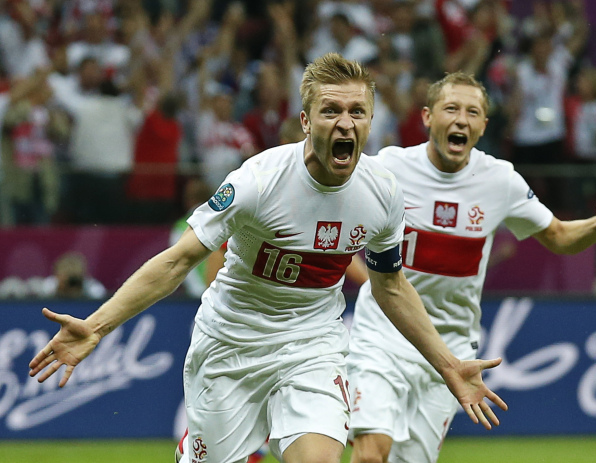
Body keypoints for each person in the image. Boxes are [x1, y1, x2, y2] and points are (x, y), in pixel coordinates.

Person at [28, 54, 506, 463]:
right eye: (331, 111)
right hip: (231, 342)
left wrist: (447, 364)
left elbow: (391, 285)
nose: (345, 123)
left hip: (312, 345)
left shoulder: (382, 193)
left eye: (358, 111)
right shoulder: (258, 181)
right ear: (305, 120)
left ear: (371, 120)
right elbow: (177, 262)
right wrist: (96, 325)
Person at [346, 71, 596, 463]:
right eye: (451, 108)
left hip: (452, 350)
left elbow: (561, 236)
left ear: (483, 125)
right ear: (428, 117)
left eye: (472, 111)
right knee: (369, 454)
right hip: (382, 335)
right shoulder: (388, 168)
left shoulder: (500, 180)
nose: (461, 118)